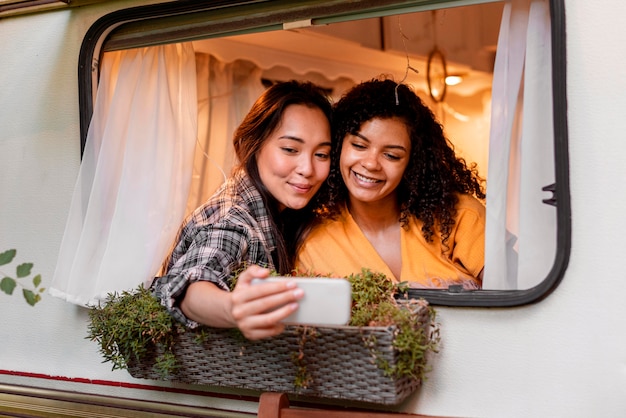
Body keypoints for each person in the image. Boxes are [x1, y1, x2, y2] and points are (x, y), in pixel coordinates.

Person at [152, 80, 333, 340]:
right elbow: (191, 284)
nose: (307, 169)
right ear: (253, 145)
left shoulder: (282, 213)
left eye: (322, 154)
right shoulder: (231, 219)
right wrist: (234, 309)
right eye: (290, 149)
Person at [296, 77, 486, 289]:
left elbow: (516, 303)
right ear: (339, 145)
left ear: (413, 163)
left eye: (392, 155)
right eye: (359, 145)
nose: (371, 164)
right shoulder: (311, 241)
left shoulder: (460, 217)